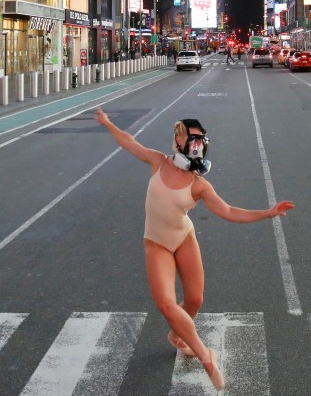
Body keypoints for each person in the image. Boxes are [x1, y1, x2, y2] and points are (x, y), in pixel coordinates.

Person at [93, 110, 294, 391]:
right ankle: (204, 355)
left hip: (183, 238)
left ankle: (177, 337)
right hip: (157, 242)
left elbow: (229, 211)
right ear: (178, 139)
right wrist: (107, 123)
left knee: (195, 300)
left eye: (201, 139)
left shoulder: (199, 184)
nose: (197, 143)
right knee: (165, 302)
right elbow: (128, 142)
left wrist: (267, 213)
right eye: (192, 137)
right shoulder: (157, 161)